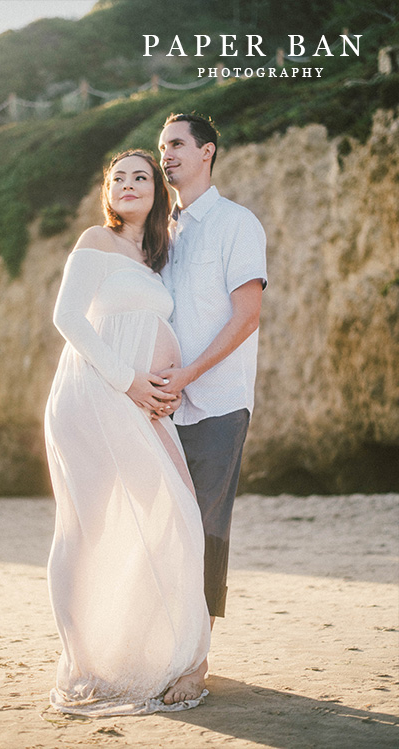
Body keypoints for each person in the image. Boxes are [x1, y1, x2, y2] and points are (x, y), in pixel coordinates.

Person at [44, 149, 211, 716]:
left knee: (177, 514)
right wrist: (130, 381)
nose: (129, 184)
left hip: (139, 404)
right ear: (107, 191)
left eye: (142, 176)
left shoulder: (153, 258)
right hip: (93, 396)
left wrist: (163, 386)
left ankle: (161, 650)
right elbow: (68, 319)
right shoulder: (96, 240)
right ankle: (82, 662)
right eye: (118, 177)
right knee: (83, 529)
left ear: (157, 190)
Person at [156, 113, 267, 642]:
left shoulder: (236, 224)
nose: (166, 155)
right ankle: (162, 645)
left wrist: (189, 375)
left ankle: (196, 655)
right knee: (161, 527)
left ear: (207, 152)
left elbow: (247, 316)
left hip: (217, 401)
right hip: (157, 407)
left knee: (205, 528)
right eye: (161, 147)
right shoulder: (156, 233)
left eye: (177, 144)